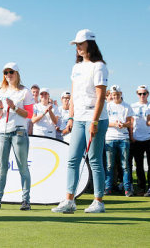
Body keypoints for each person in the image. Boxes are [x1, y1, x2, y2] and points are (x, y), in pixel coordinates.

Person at [52, 29, 109, 213]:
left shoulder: (99, 66)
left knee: (94, 159)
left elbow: (100, 97)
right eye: (76, 44)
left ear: (90, 44)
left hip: (96, 119)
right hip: (78, 119)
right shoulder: (76, 68)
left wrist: (94, 121)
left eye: (80, 44)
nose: (77, 47)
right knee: (73, 159)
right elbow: (74, 95)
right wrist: (70, 117)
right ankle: (69, 201)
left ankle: (98, 202)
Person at [0, 62, 34, 210]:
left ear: (17, 73)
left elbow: (29, 114)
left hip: (18, 132)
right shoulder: (1, 91)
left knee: (23, 167)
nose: (8, 75)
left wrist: (14, 107)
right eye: (6, 73)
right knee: (1, 167)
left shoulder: (25, 91)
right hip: (2, 132)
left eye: (11, 72)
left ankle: (26, 201)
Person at [104, 85, 133, 196]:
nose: (115, 96)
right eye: (113, 94)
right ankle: (108, 187)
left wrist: (123, 124)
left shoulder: (127, 106)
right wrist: (114, 124)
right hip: (110, 138)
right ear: (111, 95)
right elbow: (105, 122)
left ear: (121, 93)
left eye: (117, 94)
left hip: (123, 138)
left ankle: (127, 188)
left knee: (125, 165)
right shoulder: (107, 106)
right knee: (109, 165)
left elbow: (130, 122)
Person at [130, 85, 150, 196]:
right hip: (137, 139)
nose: (142, 96)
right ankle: (141, 188)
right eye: (140, 93)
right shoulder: (132, 106)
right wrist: (131, 136)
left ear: (147, 94)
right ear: (137, 94)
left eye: (144, 93)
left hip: (149, 138)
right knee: (139, 165)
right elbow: (131, 123)